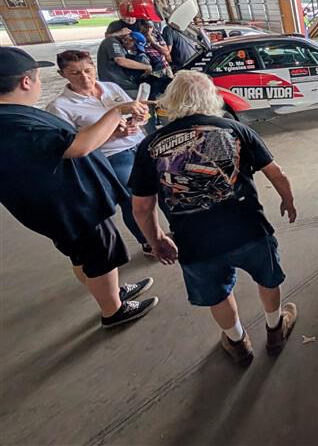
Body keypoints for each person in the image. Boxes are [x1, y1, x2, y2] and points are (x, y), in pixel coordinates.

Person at [130, 70, 298, 364]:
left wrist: (156, 240)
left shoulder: (150, 146)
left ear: (170, 100)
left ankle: (237, 342)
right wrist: (288, 199)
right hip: (249, 228)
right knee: (268, 278)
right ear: (212, 97)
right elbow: (277, 173)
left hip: (193, 240)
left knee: (217, 294)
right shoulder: (235, 129)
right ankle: (275, 328)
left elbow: (142, 207)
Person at [0, 46, 158, 328]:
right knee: (99, 255)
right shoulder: (16, 123)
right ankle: (114, 310)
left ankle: (111, 293)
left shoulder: (14, 115)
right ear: (26, 82)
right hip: (71, 205)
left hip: (64, 203)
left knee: (85, 254)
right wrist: (117, 112)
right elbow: (78, 146)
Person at [47, 50, 153, 256]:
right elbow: (73, 146)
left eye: (88, 70)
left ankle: (173, 231)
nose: (85, 77)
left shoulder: (111, 87)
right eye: (75, 73)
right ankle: (148, 240)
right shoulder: (60, 107)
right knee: (133, 197)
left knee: (165, 187)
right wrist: (113, 135)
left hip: (141, 144)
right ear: (62, 75)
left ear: (94, 67)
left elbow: (137, 111)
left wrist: (140, 119)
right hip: (111, 155)